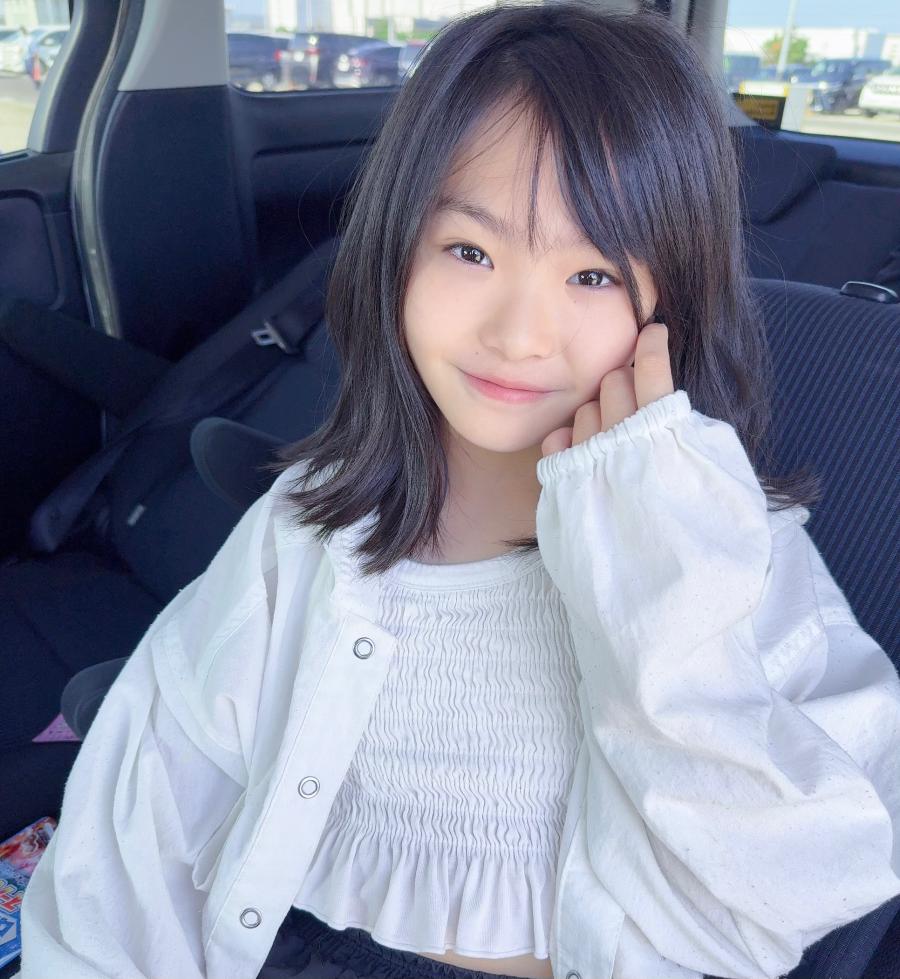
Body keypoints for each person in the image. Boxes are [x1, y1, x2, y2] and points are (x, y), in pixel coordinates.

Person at [17, 3, 900, 978]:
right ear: (397, 251)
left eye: (594, 275)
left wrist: (657, 582)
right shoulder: (309, 521)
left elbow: (789, 892)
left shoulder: (736, 551)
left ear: (675, 305)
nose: (519, 334)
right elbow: (143, 821)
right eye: (471, 252)